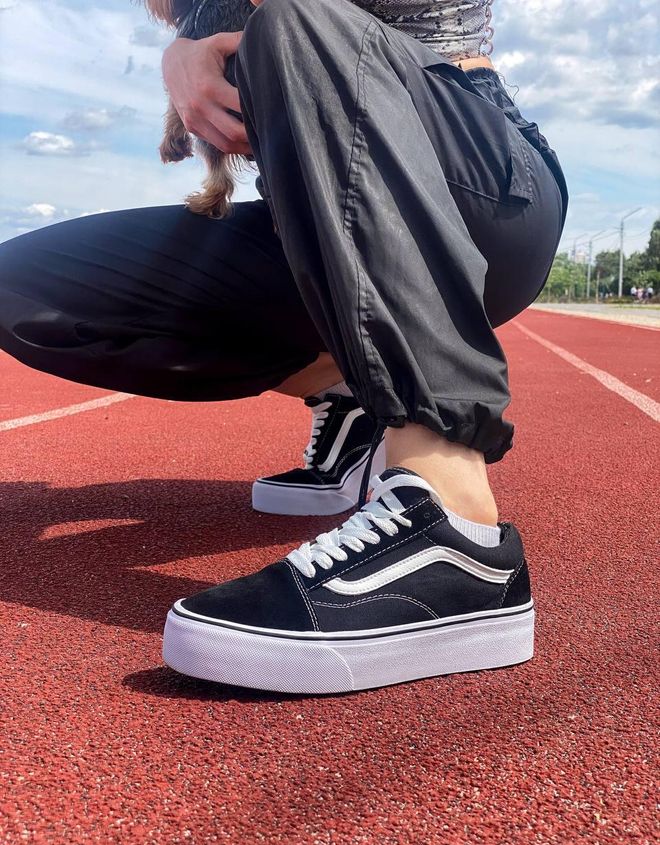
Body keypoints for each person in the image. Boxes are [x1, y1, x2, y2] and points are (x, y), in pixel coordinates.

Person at [0, 0, 568, 693]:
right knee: (20, 290)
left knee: (294, 23)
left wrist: (195, 51)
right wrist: (179, 54)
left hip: (484, 181)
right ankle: (354, 395)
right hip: (314, 231)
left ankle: (456, 531)